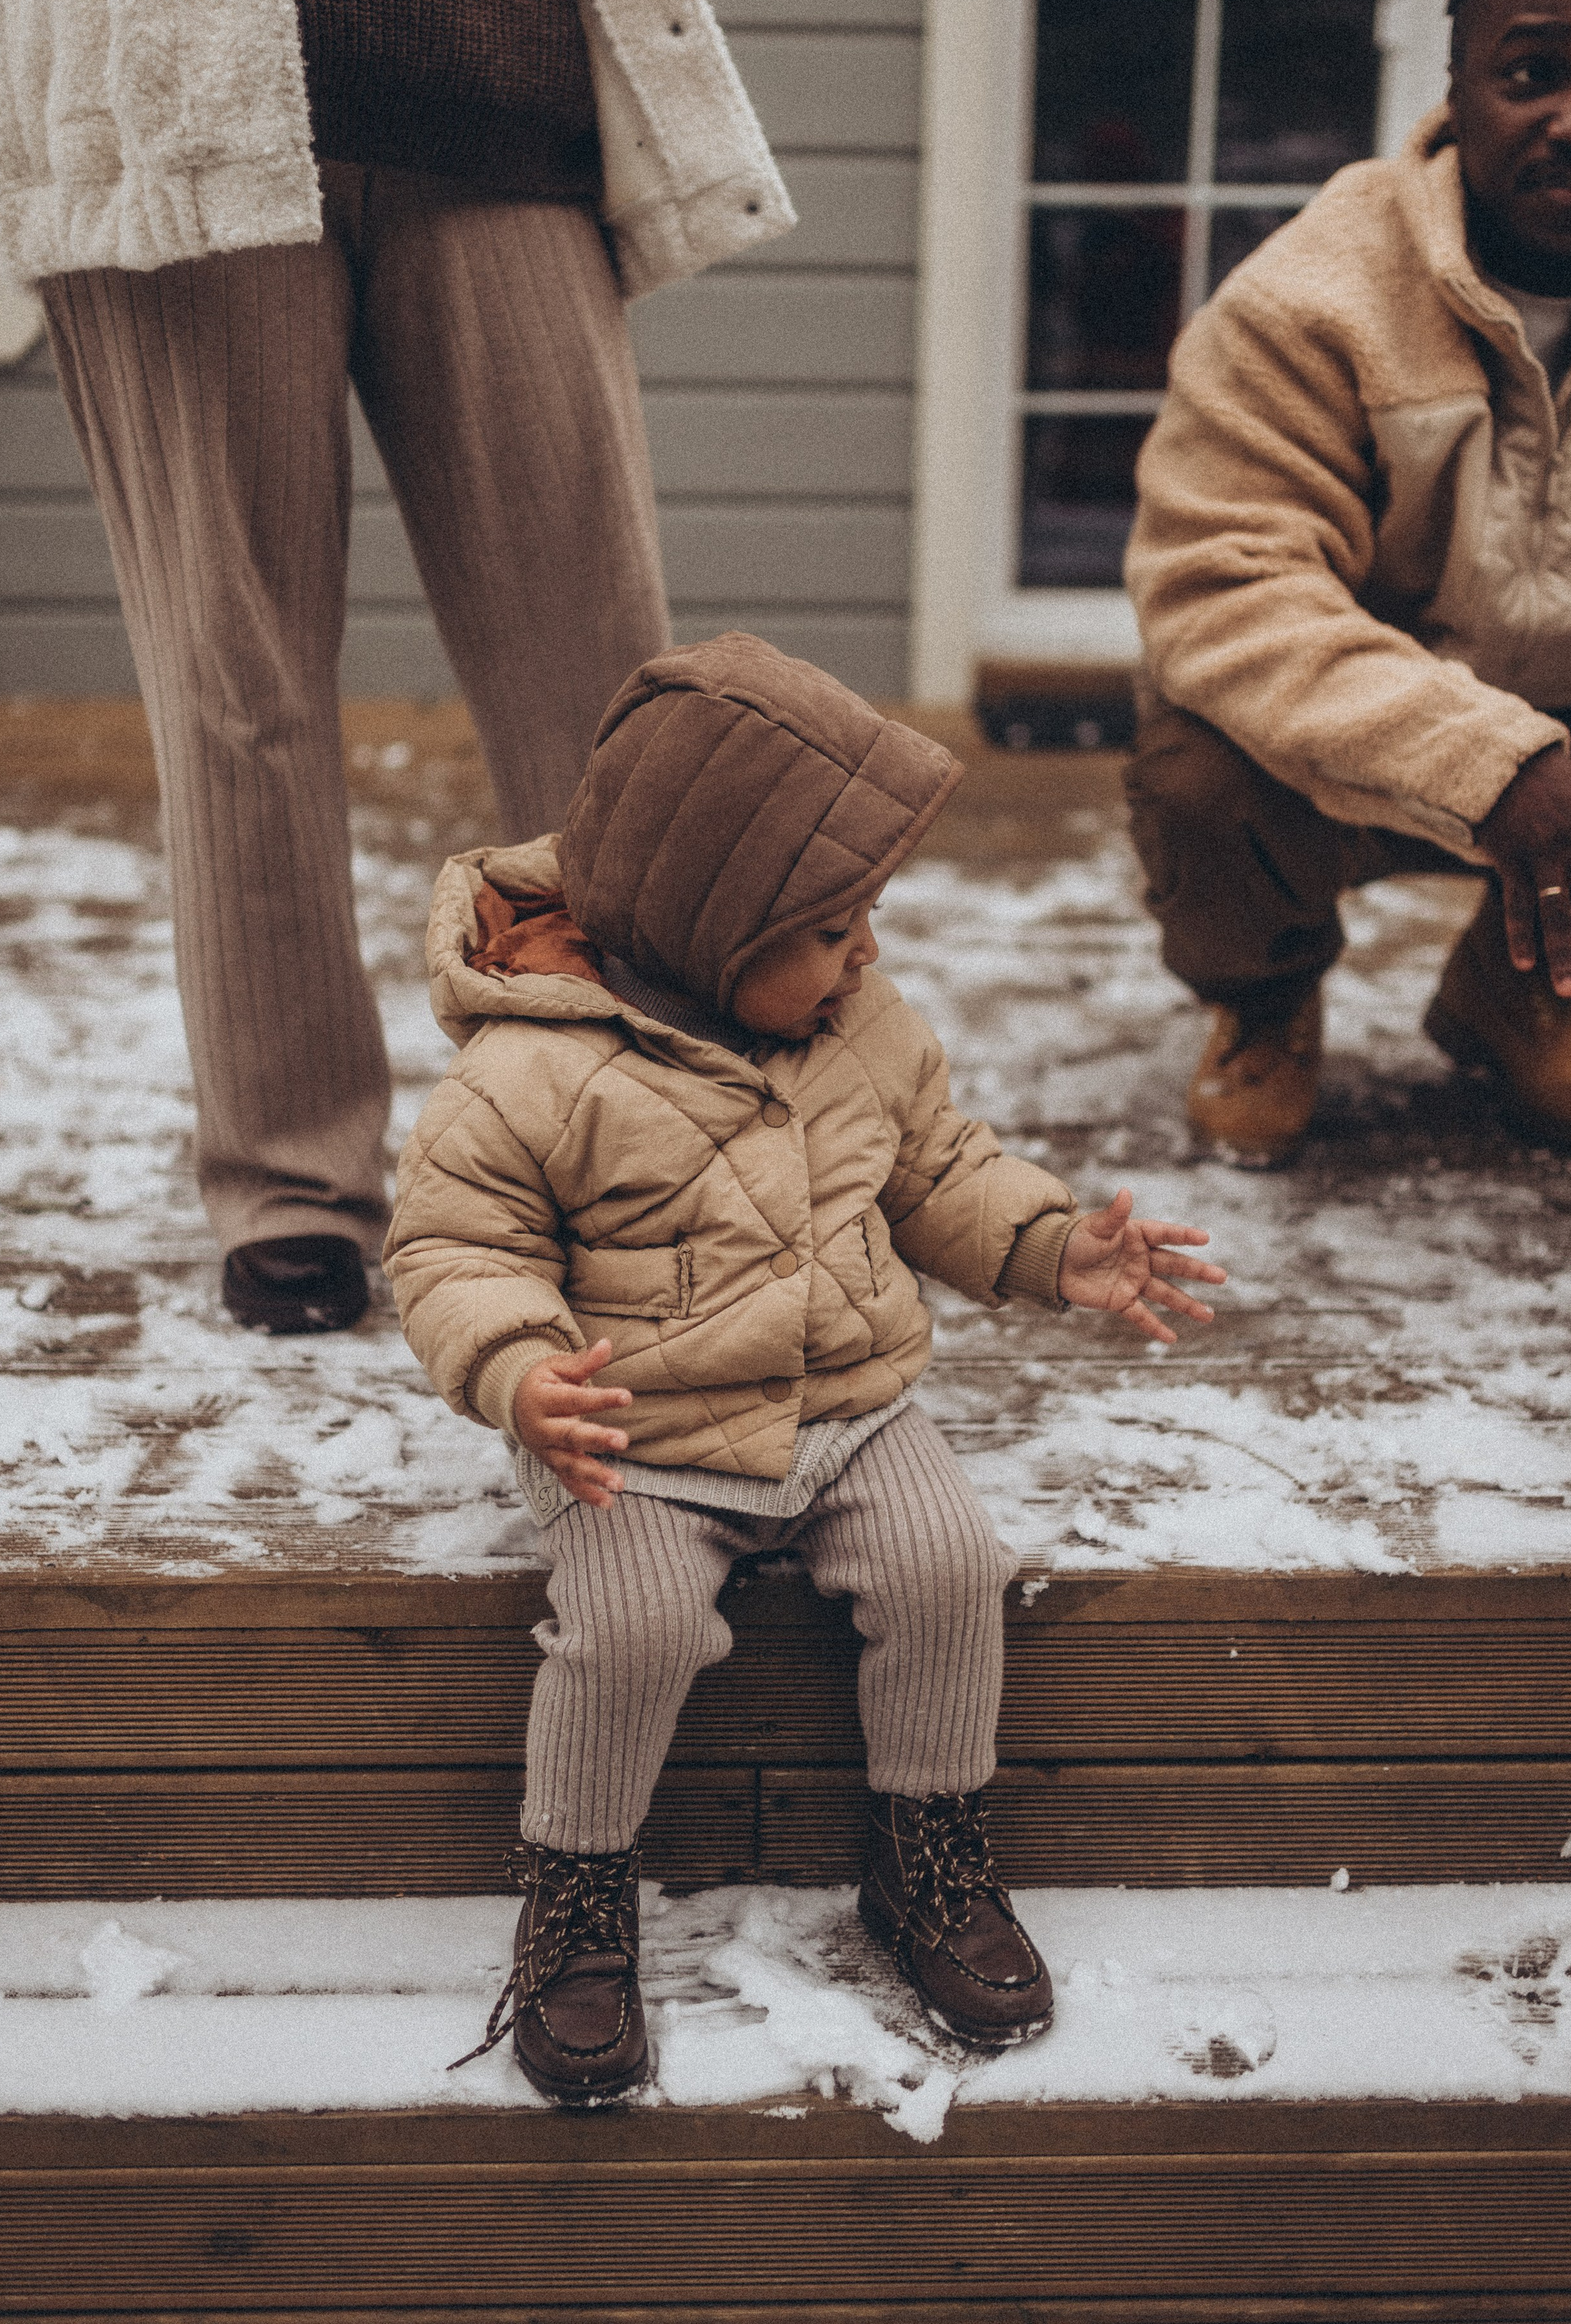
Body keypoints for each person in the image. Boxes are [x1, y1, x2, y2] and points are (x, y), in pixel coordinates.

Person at [0, 0, 795, 1330]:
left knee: (598, 690)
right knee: (237, 687)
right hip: (172, 116)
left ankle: (625, 1141)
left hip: (499, 90)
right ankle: (295, 1184)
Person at [384, 633, 1226, 2104]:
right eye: (835, 924)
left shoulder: (858, 1027)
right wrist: (520, 1376)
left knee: (949, 1567)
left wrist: (1041, 1247)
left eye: (867, 919)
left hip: (845, 1409)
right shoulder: (531, 1073)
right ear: (716, 925)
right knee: (635, 1629)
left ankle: (924, 1860)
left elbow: (936, 1170)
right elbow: (458, 1249)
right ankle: (575, 1899)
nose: (868, 953)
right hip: (629, 1434)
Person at [1123, 0, 1571, 1165]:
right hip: (1347, 740)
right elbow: (1227, 588)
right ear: (1459, 90)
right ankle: (1265, 1003)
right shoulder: (1315, 299)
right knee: (1198, 769)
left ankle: (1520, 996)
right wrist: (1491, 760)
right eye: (1534, 72)